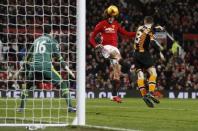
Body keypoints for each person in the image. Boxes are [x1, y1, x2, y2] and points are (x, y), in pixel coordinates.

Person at [16, 29, 76, 112]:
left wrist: (20, 70)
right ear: (51, 31)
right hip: (46, 68)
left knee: (27, 86)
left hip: (34, 68)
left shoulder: (36, 40)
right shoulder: (52, 41)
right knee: (63, 83)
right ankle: (70, 107)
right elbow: (60, 59)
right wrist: (69, 71)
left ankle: (21, 108)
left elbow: (27, 58)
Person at [89, 5, 135, 103]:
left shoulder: (116, 24)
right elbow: (92, 37)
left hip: (115, 48)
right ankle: (129, 68)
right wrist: (95, 45)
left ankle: (114, 96)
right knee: (118, 57)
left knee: (117, 74)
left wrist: (138, 33)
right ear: (107, 15)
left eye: (112, 17)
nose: (111, 18)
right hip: (106, 48)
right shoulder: (101, 24)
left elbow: (126, 34)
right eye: (109, 16)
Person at [133, 16, 165, 107]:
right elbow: (153, 43)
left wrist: (156, 28)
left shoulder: (140, 27)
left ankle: (144, 96)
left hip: (135, 54)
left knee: (140, 76)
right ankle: (150, 92)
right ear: (152, 22)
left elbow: (147, 29)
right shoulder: (150, 30)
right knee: (153, 73)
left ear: (144, 21)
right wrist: (159, 52)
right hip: (143, 54)